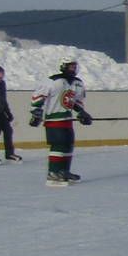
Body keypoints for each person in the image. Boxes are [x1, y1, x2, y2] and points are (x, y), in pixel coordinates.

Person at [29, 57, 90, 187]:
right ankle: (53, 173)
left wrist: (81, 112)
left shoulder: (77, 83)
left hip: (67, 119)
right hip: (54, 119)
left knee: (68, 145)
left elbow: (74, 102)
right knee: (58, 145)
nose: (73, 69)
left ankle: (64, 171)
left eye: (75, 66)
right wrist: (36, 111)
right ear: (63, 66)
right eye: (71, 66)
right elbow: (38, 96)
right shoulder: (53, 81)